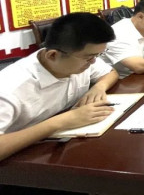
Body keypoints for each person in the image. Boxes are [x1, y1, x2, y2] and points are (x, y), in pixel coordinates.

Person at [0, 13, 119, 161]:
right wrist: (62, 121)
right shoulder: (9, 89)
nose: (93, 62)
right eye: (89, 57)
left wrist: (99, 87)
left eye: (98, 55)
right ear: (52, 55)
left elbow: (110, 72)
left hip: (61, 146)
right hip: (21, 161)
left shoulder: (77, 59)